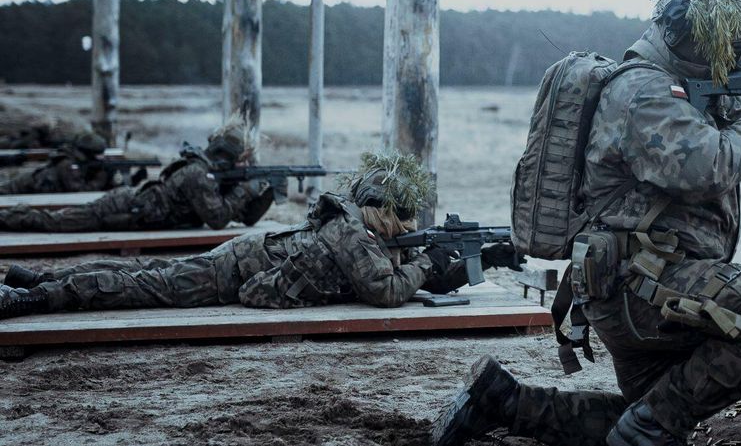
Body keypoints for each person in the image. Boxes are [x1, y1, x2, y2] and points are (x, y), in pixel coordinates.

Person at [431, 0, 741, 446]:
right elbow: (708, 166)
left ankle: (504, 402)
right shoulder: (647, 91)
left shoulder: (668, 89)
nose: (731, 61)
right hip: (646, 285)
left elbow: (717, 143)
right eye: (722, 49)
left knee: (650, 410)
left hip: (631, 282)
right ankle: (648, 428)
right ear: (687, 38)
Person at [0, 151, 524, 318]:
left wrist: (486, 258)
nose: (409, 229)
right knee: (143, 286)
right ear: (384, 214)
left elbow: (420, 280)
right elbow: (386, 291)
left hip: (249, 259)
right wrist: (430, 260)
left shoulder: (363, 231)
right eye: (403, 219)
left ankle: (40, 279)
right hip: (233, 271)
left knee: (145, 274)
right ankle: (38, 297)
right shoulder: (351, 233)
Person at [0, 122, 272, 233]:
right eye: (242, 160)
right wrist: (246, 190)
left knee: (57, 221)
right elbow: (218, 219)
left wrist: (267, 192)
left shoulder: (208, 173)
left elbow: (242, 217)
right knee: (55, 223)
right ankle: (6, 218)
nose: (244, 165)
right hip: (122, 208)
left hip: (134, 208)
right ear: (228, 156)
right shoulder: (198, 174)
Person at [0, 131, 119, 195]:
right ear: (86, 153)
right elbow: (78, 192)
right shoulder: (67, 164)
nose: (100, 159)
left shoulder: (80, 162)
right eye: (96, 155)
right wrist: (99, 180)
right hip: (19, 188)